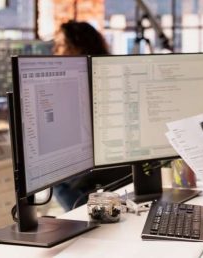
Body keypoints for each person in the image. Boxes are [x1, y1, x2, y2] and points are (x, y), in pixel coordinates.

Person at [52, 21, 130, 211]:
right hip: (124, 169)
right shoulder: (113, 73)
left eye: (61, 45)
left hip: (101, 167)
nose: (56, 51)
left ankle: (83, 218)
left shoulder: (76, 84)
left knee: (57, 179)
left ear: (77, 47)